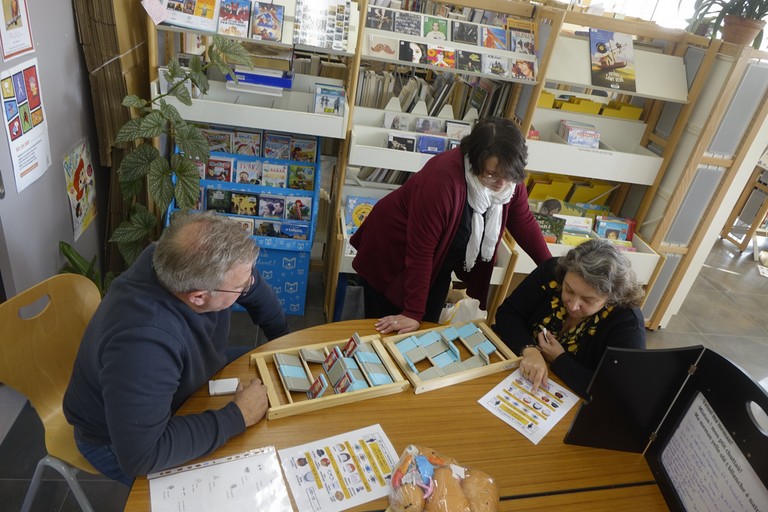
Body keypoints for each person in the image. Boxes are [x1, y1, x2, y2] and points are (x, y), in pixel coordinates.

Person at [63, 210, 289, 485]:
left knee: (267, 371)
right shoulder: (143, 345)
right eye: (240, 288)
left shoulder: (176, 258)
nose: (248, 287)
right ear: (198, 297)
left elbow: (254, 288)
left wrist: (284, 342)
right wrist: (238, 415)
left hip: (177, 383)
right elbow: (141, 455)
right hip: (116, 441)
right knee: (228, 484)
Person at [350, 117, 551, 335]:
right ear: (475, 160)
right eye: (492, 174)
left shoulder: (509, 180)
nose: (501, 183)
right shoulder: (441, 180)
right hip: (392, 252)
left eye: (509, 176)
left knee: (427, 329)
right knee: (388, 329)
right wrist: (413, 312)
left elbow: (522, 221)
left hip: (438, 261)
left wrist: (552, 268)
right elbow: (421, 250)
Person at [492, 239, 645, 397]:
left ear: (611, 298)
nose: (573, 305)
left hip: (566, 396)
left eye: (588, 300)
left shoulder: (627, 323)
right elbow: (508, 313)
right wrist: (530, 350)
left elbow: (617, 391)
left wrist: (559, 359)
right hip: (513, 369)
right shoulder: (552, 271)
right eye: (569, 290)